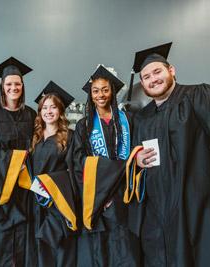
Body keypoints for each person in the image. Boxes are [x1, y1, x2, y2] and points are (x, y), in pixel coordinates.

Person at [131, 42, 210, 266]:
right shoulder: (144, 117)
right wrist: (138, 160)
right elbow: (138, 154)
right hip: (161, 206)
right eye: (147, 77)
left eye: (157, 71)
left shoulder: (199, 95)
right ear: (142, 84)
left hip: (201, 201)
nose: (153, 79)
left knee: (208, 253)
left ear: (172, 71)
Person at [72, 65, 140, 267]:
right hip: (99, 196)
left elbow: (136, 152)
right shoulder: (84, 126)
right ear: (90, 95)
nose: (100, 95)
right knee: (100, 250)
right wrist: (104, 188)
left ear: (112, 92)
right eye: (96, 91)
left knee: (126, 248)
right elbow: (78, 161)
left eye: (105, 89)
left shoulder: (128, 120)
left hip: (127, 194)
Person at [0, 57, 37, 266]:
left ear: (23, 86)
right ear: (2, 87)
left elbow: (39, 148)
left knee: (23, 241)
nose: (13, 88)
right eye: (9, 84)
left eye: (17, 84)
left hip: (24, 189)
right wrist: (13, 160)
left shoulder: (32, 115)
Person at [31, 81, 78, 267]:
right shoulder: (35, 137)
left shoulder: (70, 136)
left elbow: (74, 170)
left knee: (61, 249)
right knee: (41, 250)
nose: (48, 111)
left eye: (53, 107)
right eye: (45, 107)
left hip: (59, 202)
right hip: (37, 201)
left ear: (60, 111)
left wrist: (52, 185)